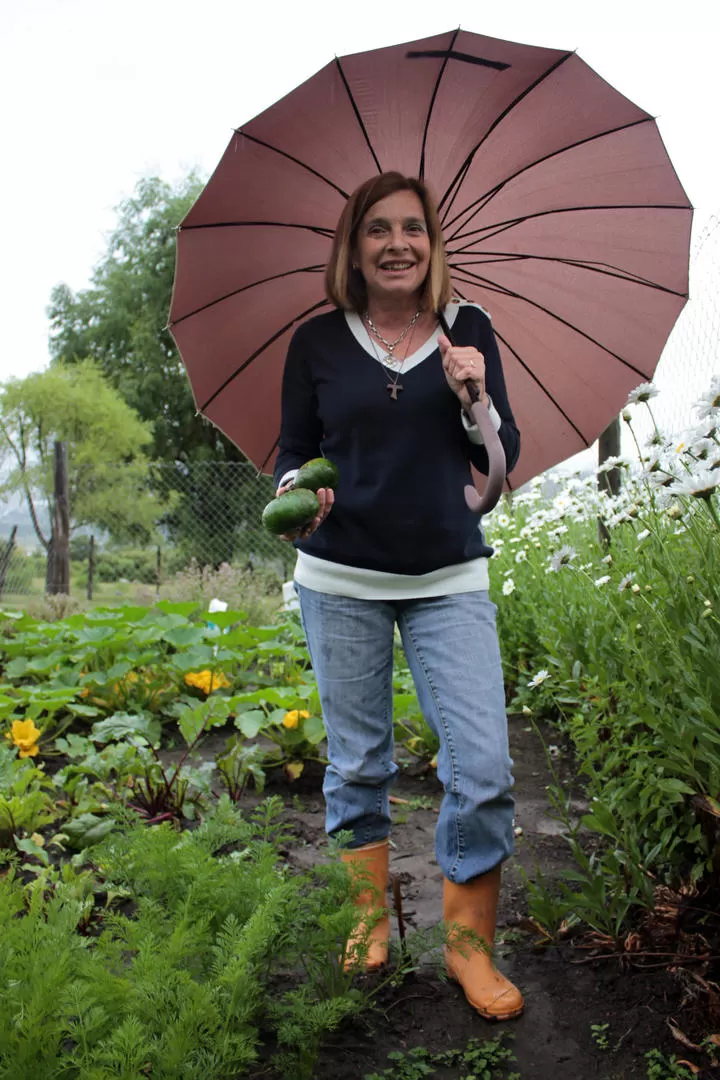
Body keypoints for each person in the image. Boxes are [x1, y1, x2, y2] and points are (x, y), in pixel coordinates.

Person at [274, 171, 523, 1021]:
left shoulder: (470, 330)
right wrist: (300, 491)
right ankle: (367, 922)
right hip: (339, 575)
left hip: (449, 576)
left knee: (483, 769)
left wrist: (474, 397)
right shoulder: (316, 342)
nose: (396, 244)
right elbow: (293, 448)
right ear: (355, 246)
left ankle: (467, 949)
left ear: (433, 242)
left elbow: (501, 464)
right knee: (358, 762)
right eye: (377, 229)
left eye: (412, 228)